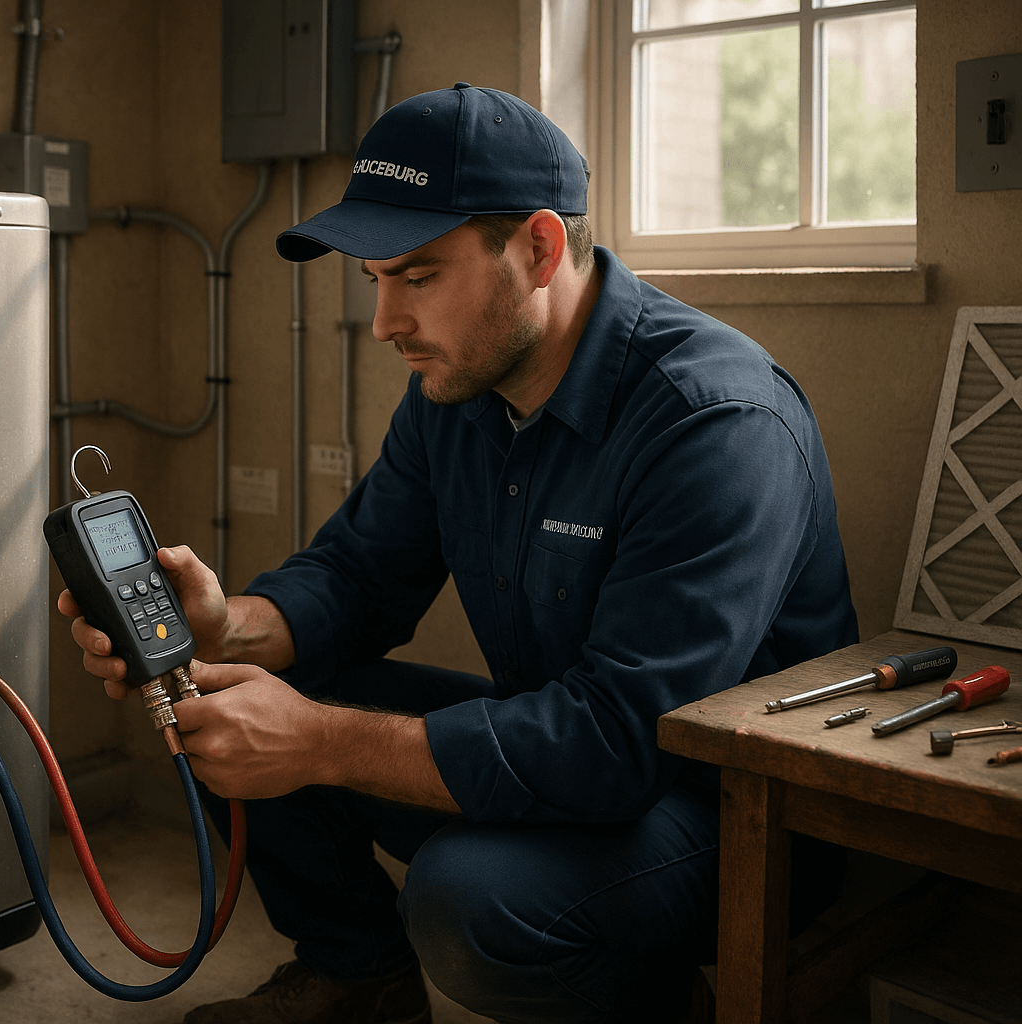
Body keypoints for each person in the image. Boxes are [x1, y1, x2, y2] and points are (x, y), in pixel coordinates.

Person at [60, 83, 858, 1024]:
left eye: (420, 277)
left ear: (538, 248)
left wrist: (321, 743)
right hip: (574, 748)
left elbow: (616, 743)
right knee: (227, 702)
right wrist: (226, 629)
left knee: (467, 895)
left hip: (733, 813)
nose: (385, 323)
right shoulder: (461, 393)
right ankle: (361, 981)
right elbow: (360, 576)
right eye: (375, 283)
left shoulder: (714, 424)